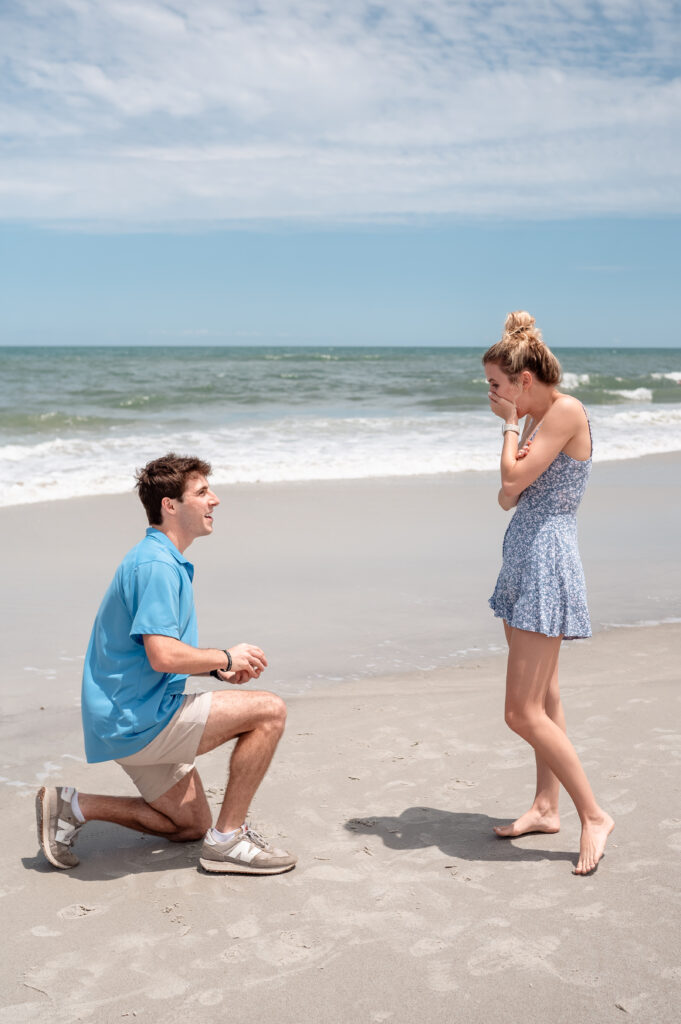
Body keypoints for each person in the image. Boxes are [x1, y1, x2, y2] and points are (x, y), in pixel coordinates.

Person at [35, 453, 296, 876]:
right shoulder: (156, 564)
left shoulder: (157, 558)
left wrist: (215, 670)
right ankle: (229, 840)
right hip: (140, 718)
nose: (215, 500)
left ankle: (73, 806)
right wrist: (226, 656)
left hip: (126, 715)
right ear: (169, 506)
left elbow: (157, 655)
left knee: (190, 824)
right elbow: (162, 655)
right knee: (269, 711)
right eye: (202, 492)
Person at [483, 312, 614, 875]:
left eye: (496, 384)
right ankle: (545, 806)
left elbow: (511, 483)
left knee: (520, 711)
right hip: (525, 552)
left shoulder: (560, 412)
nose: (491, 394)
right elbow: (507, 501)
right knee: (547, 695)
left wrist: (509, 427)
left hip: (545, 559)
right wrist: (517, 427)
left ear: (524, 381)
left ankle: (594, 814)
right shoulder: (539, 419)